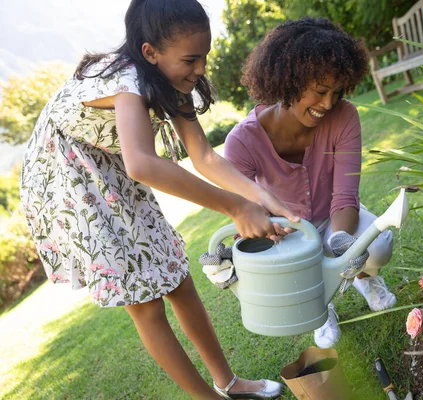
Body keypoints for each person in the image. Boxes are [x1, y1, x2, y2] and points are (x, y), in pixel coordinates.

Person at [19, 0, 296, 398]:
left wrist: (263, 198)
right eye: (190, 59)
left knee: (177, 277)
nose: (200, 68)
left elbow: (203, 156)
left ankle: (229, 384)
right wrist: (235, 207)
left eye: (204, 56)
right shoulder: (127, 79)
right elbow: (143, 164)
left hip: (111, 163)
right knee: (146, 303)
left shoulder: (173, 79)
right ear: (150, 52)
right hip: (67, 177)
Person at [223, 17, 398, 349]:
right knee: (301, 268)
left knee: (377, 246)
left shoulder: (344, 116)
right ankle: (322, 305)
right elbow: (246, 216)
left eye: (337, 92)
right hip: (287, 233)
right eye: (320, 91)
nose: (328, 104)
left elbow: (345, 194)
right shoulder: (241, 142)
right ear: (289, 82)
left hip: (334, 219)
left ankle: (365, 278)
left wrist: (345, 247)